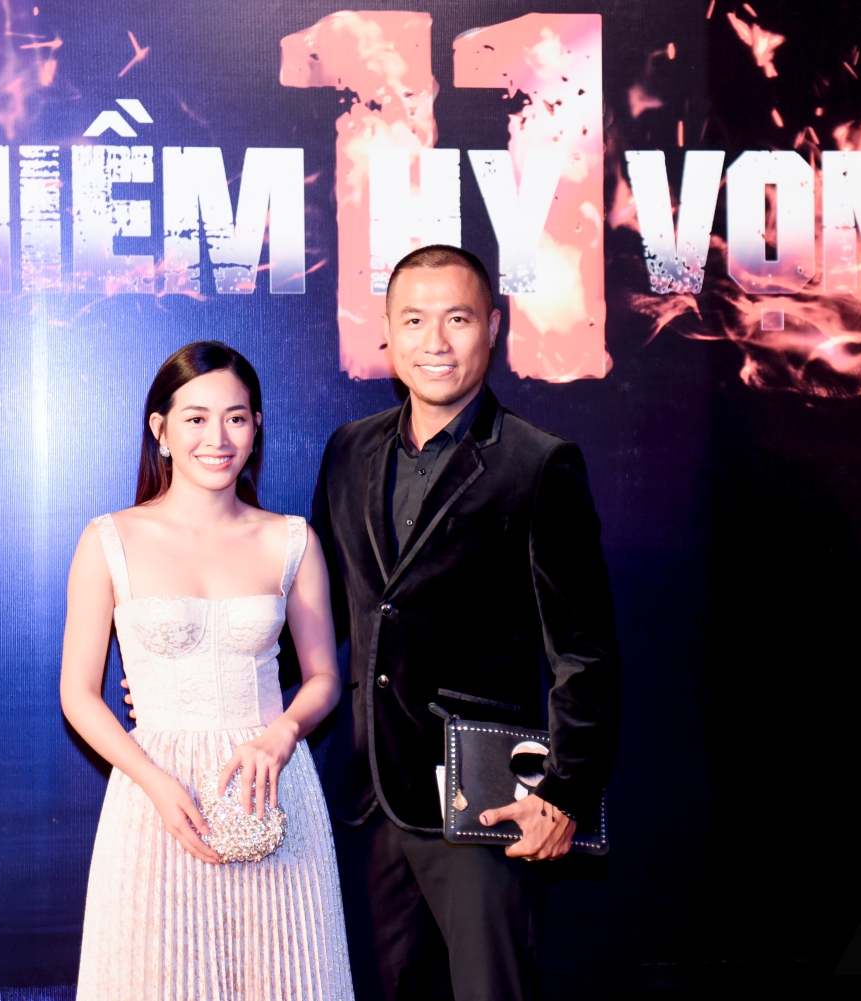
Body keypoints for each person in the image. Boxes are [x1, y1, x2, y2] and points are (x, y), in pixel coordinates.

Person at [310, 246, 623, 1000]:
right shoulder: (349, 450)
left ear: (493, 326)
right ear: (388, 331)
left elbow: (584, 656)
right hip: (365, 800)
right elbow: (321, 617)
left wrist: (564, 792)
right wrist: (214, 683)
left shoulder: (539, 464)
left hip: (480, 804)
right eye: (414, 320)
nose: (436, 342)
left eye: (457, 319)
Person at [60, 341, 353, 1000]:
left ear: (256, 428)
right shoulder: (109, 540)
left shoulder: (292, 540)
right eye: (195, 418)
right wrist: (152, 781)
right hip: (155, 793)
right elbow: (78, 694)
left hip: (270, 787)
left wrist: (283, 734)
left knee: (284, 977)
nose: (217, 438)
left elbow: (323, 677)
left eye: (236, 418)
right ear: (161, 431)